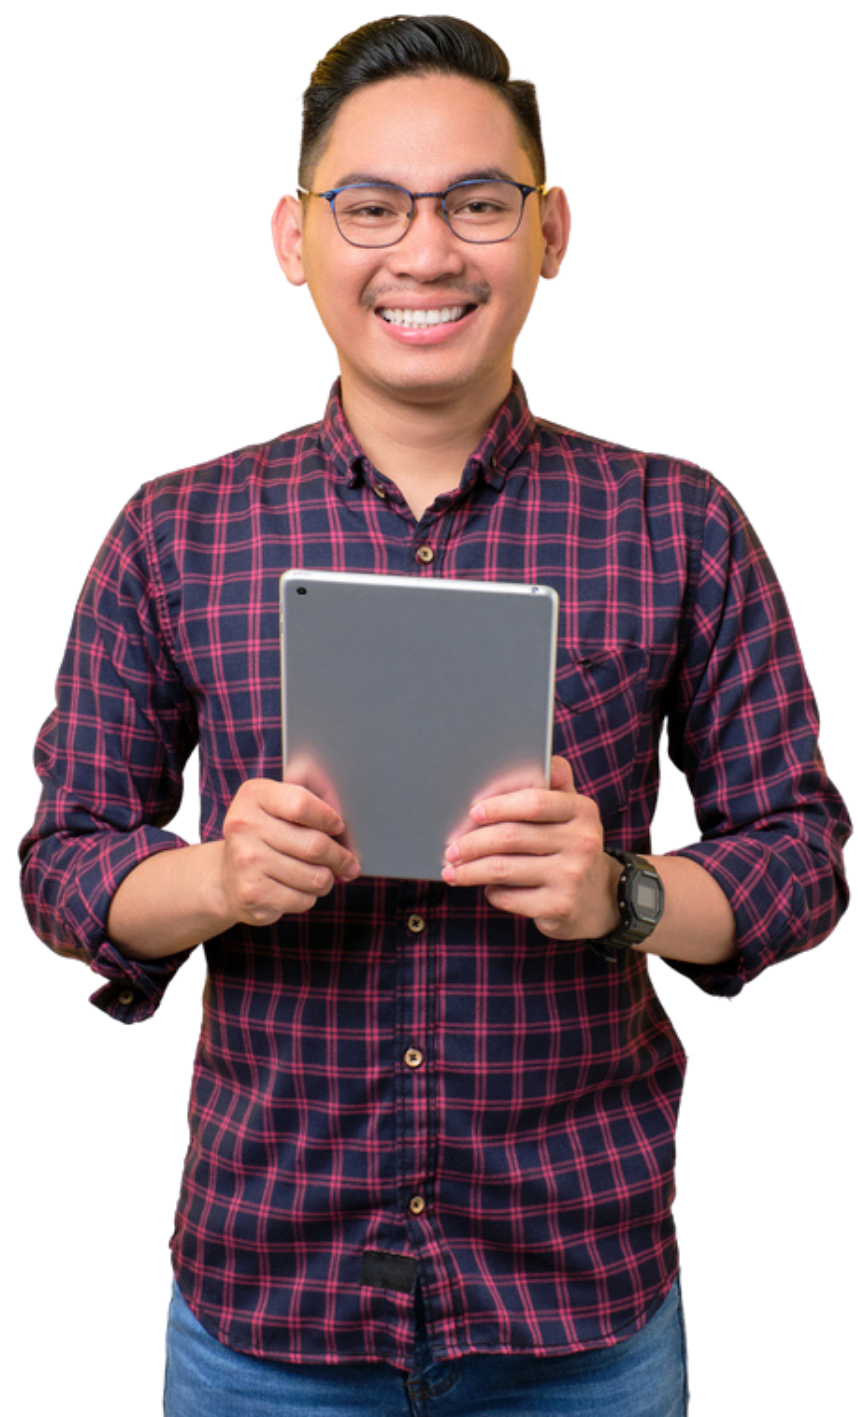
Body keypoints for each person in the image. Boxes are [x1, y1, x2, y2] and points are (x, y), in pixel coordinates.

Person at [18, 14, 851, 1417]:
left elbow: (802, 855)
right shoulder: (172, 529)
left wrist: (621, 895)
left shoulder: (679, 520)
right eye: (371, 207)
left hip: (578, 1301)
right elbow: (62, 866)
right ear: (293, 237)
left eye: (477, 204)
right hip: (264, 1305)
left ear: (550, 231)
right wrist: (217, 878)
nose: (424, 252)